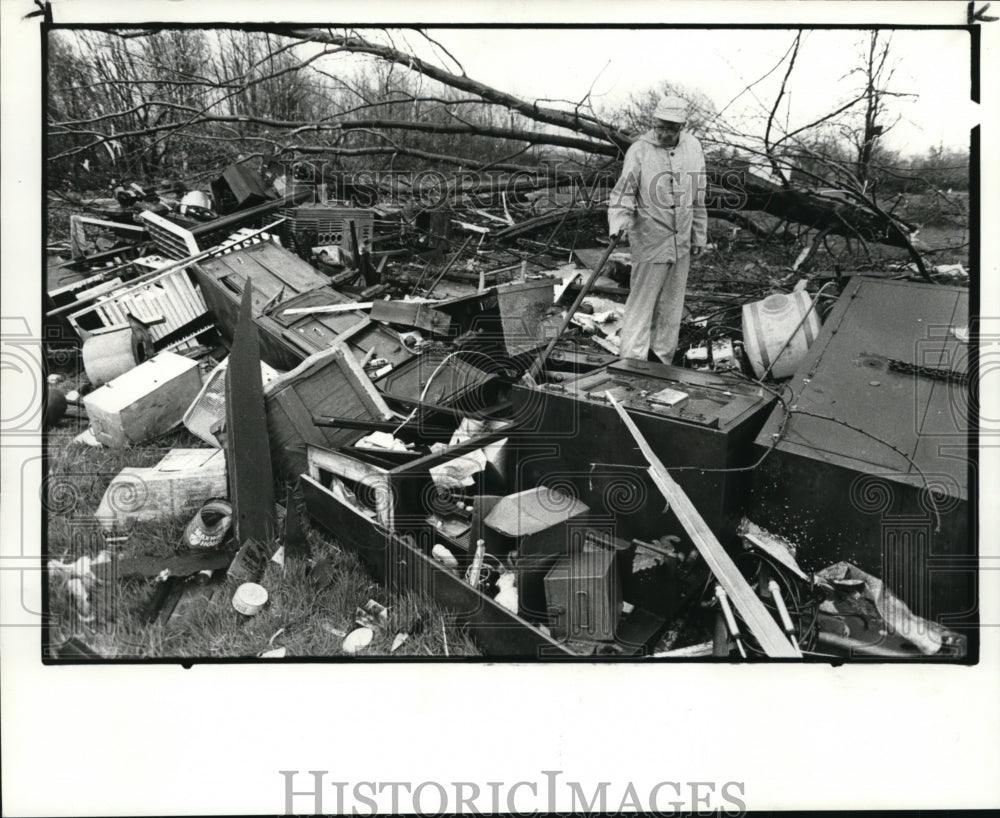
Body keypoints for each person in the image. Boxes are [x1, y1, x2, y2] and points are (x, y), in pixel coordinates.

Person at [608, 95, 707, 363]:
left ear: (681, 128)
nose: (664, 133)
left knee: (672, 306)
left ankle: (662, 360)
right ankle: (632, 362)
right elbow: (623, 192)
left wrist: (699, 234)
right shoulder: (640, 149)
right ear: (655, 122)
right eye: (660, 126)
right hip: (651, 238)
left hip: (682, 240)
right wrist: (619, 222)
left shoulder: (693, 148)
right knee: (641, 306)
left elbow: (698, 195)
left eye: (671, 129)